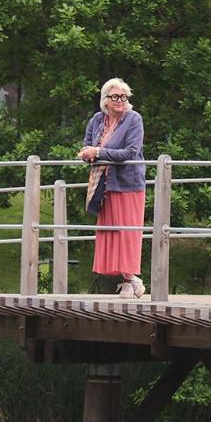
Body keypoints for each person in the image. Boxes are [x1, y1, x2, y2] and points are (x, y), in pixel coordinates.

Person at [77, 78, 147, 298]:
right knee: (111, 232)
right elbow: (87, 147)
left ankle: (130, 279)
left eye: (124, 97)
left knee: (126, 232)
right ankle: (130, 280)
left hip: (128, 184)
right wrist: (87, 154)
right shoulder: (97, 120)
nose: (120, 101)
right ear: (105, 100)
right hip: (103, 184)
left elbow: (130, 153)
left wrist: (97, 153)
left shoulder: (134, 119)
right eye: (115, 97)